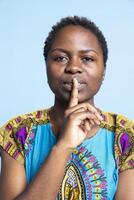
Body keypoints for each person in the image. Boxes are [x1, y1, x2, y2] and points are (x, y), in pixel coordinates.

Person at [0, 16, 134, 200]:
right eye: (61, 58)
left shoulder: (126, 136)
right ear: (46, 65)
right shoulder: (18, 132)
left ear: (103, 70)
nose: (73, 67)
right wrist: (63, 146)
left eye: (87, 58)